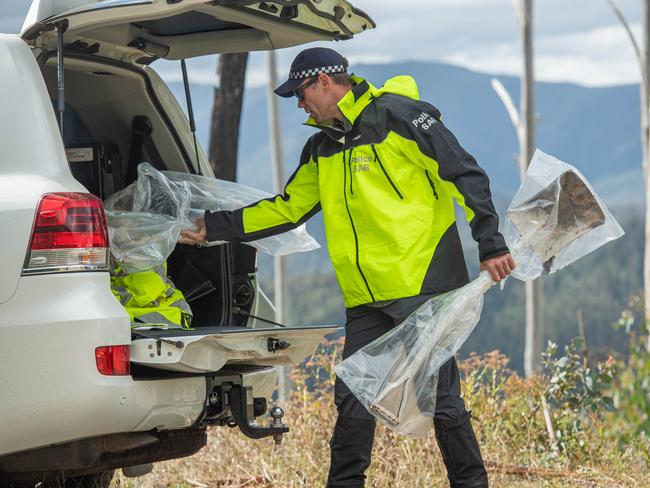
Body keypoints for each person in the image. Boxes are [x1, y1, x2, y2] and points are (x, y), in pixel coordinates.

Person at [180, 47, 515, 488]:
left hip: (423, 283)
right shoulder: (321, 147)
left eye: (300, 94)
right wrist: (214, 227)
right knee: (353, 398)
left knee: (438, 396)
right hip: (365, 299)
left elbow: (465, 173)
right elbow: (286, 209)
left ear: (324, 82)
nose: (299, 105)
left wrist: (489, 242)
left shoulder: (399, 117)